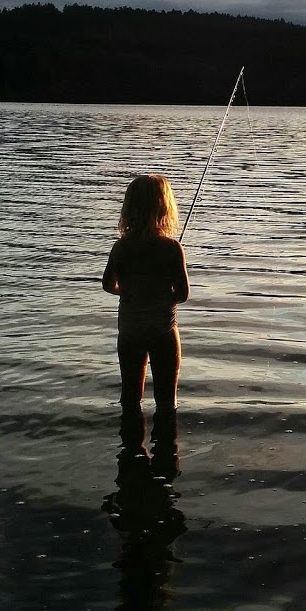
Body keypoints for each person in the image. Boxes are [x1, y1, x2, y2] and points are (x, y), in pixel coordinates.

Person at [102, 174, 190, 451]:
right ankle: (165, 457)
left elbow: (108, 285)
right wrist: (164, 297)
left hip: (129, 332)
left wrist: (128, 293)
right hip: (162, 330)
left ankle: (131, 454)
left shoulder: (120, 247)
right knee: (166, 401)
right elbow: (183, 294)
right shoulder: (172, 248)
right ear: (164, 208)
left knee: (130, 396)